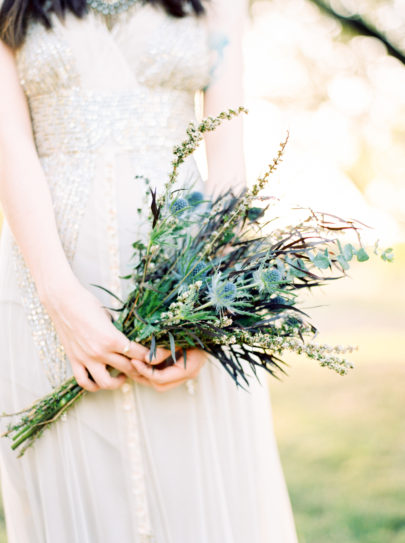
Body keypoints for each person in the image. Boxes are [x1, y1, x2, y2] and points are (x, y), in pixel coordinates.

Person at [0, 0, 298, 541]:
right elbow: (9, 145)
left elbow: (228, 158)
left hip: (184, 278)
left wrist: (213, 309)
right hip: (47, 284)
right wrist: (59, 297)